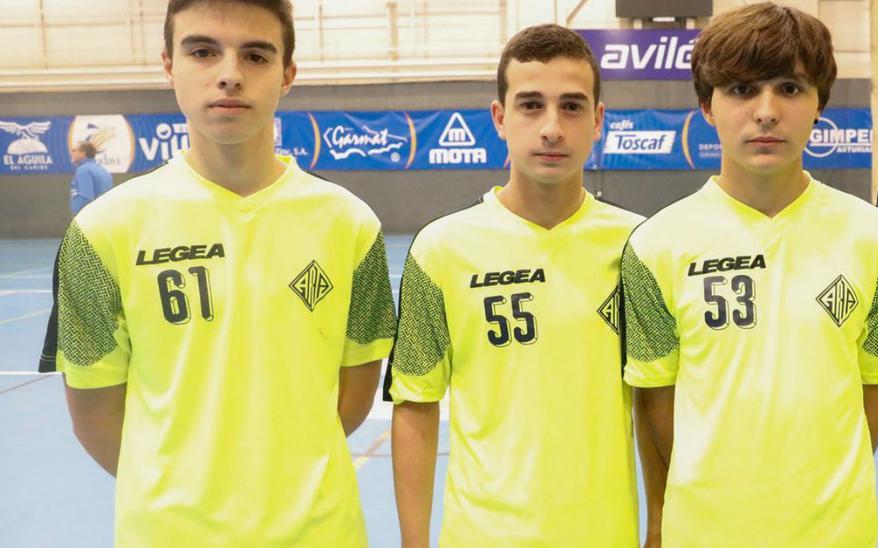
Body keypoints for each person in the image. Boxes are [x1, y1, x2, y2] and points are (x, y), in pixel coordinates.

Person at [37, 0, 396, 545]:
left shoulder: (351, 225)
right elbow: (95, 416)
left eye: (255, 55)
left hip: (320, 531)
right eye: (203, 51)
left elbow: (352, 400)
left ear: (287, 75)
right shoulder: (102, 230)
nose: (229, 74)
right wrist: (181, 496)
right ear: (168, 65)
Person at [622, 3, 878, 546]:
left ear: (819, 103)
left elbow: (877, 386)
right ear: (707, 106)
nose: (765, 111)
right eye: (740, 90)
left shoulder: (873, 236)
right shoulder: (656, 245)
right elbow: (656, 405)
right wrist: (663, 516)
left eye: (790, 88)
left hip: (837, 532)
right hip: (704, 533)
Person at [383, 24, 642, 547]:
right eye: (530, 105)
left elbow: (661, 401)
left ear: (597, 122)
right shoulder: (440, 249)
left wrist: (659, 521)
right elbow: (415, 404)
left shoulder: (640, 246)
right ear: (500, 118)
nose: (551, 128)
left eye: (571, 107)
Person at [69, 141, 113, 215]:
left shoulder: (83, 170)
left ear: (83, 153)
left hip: (87, 219)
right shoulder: (103, 170)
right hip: (103, 217)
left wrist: (77, 222)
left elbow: (86, 198)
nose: (71, 153)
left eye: (74, 151)